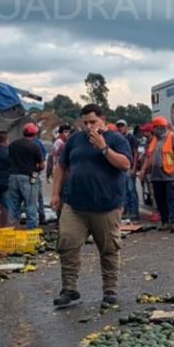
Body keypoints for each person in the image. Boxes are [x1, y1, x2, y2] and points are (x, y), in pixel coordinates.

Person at [51, 105, 133, 308]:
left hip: (106, 206)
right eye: (85, 122)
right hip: (75, 205)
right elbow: (61, 166)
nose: (88, 126)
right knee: (67, 243)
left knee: (108, 249)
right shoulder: (74, 140)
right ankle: (69, 288)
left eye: (93, 122)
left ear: (102, 120)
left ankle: (110, 289)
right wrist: (55, 193)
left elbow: (125, 164)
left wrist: (103, 147)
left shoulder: (116, 139)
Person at [141, 116, 174, 232]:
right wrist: (142, 170)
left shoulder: (173, 138)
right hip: (156, 176)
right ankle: (165, 222)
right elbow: (148, 156)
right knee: (160, 200)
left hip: (171, 175)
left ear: (160, 128)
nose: (153, 131)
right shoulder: (154, 141)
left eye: (155, 128)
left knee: (172, 199)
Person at [3, 124, 44, 230]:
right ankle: (31, 230)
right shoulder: (35, 147)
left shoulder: (12, 145)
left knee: (13, 206)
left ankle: (12, 229)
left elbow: (8, 160)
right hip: (29, 176)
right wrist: (35, 171)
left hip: (12, 176)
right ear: (34, 134)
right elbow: (41, 165)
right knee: (31, 204)